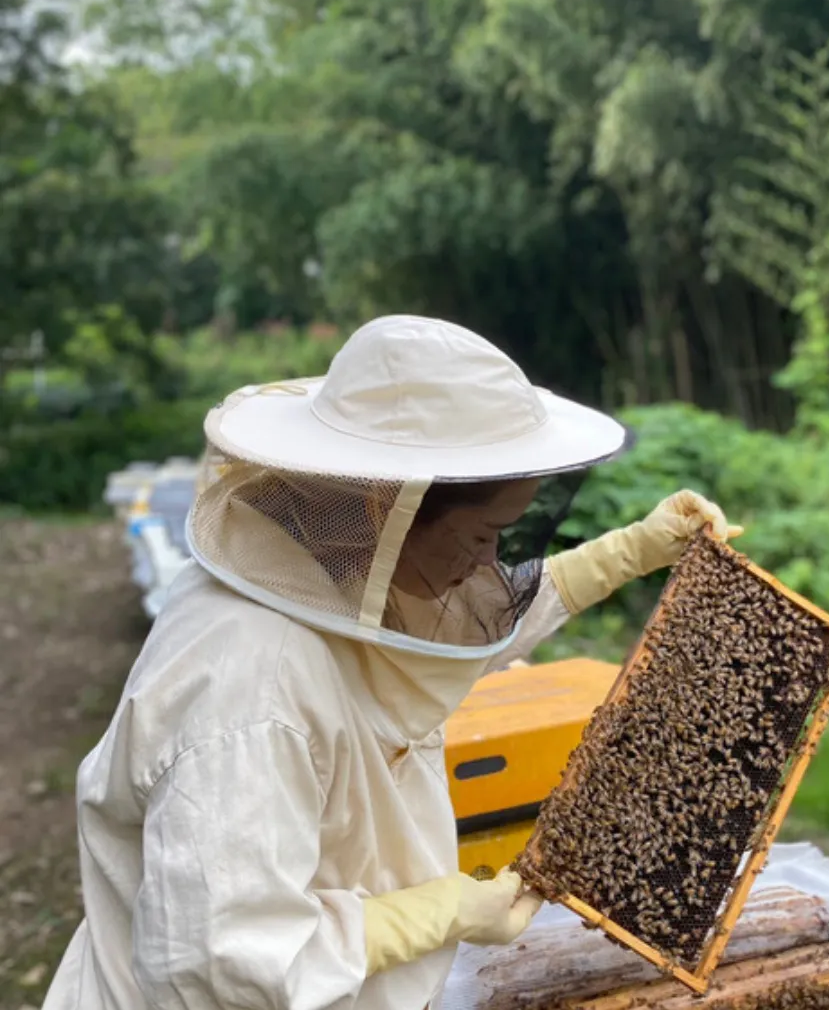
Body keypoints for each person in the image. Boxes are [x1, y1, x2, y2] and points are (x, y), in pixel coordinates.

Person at [42, 315, 742, 1010]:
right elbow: (223, 963)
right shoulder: (250, 690)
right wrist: (440, 911)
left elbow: (452, 635)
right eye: (480, 536)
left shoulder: (329, 572)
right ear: (387, 509)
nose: (488, 567)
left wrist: (632, 550)